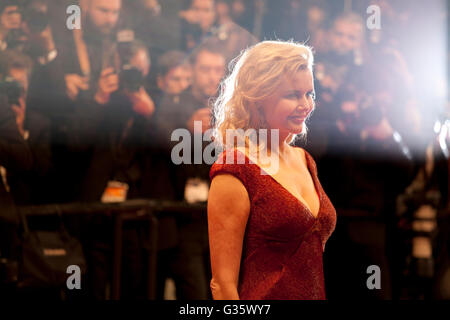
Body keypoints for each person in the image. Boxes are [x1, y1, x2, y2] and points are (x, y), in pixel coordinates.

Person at [208, 40, 337, 299]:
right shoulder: (235, 169)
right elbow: (222, 286)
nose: (306, 105)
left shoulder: (305, 160)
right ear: (258, 100)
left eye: (309, 94)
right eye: (292, 95)